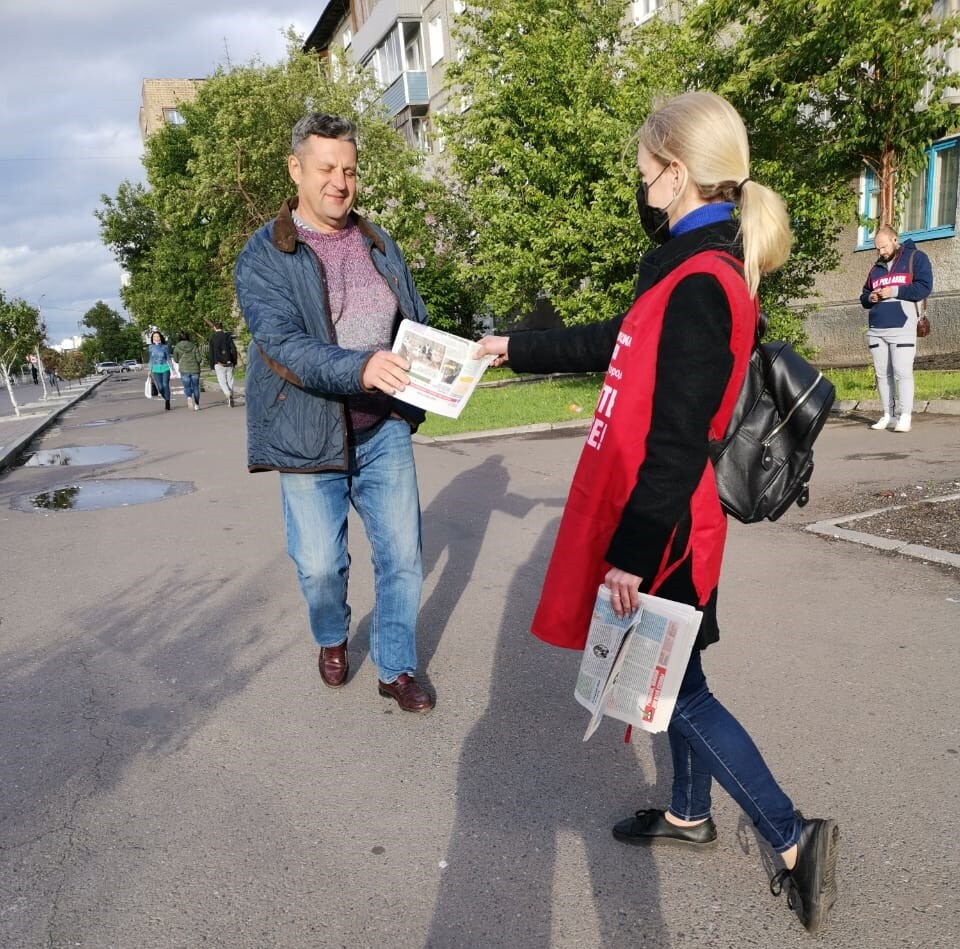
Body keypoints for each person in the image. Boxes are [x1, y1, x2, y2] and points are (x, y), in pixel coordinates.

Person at [477, 91, 839, 936]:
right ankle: (687, 813)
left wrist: (631, 554)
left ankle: (792, 836)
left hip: (667, 526)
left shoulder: (703, 284)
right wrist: (513, 346)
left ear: (677, 173)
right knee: (682, 676)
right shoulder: (688, 266)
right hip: (672, 521)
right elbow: (620, 337)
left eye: (645, 173)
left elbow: (678, 441)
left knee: (675, 693)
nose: (639, 186)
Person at [234, 112, 434, 713]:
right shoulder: (266, 253)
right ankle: (331, 634)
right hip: (307, 432)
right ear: (296, 169)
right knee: (321, 566)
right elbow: (285, 345)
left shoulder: (378, 241)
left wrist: (453, 360)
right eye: (326, 168)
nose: (340, 182)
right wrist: (359, 367)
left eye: (349, 169)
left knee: (402, 557)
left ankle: (396, 668)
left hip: (381, 430)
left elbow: (411, 322)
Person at [860, 225, 932, 433]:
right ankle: (887, 415)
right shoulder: (876, 268)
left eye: (883, 247)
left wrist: (895, 291)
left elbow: (924, 287)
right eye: (877, 249)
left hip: (903, 326)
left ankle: (905, 415)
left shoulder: (915, 258)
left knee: (902, 372)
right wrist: (870, 297)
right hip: (876, 328)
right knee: (882, 375)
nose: (880, 252)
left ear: (894, 240)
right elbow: (864, 295)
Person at [209, 320, 238, 406]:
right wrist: (234, 360)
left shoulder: (213, 338)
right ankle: (230, 397)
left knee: (222, 381)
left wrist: (212, 365)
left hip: (218, 363)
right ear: (222, 327)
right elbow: (233, 349)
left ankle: (227, 393)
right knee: (230, 380)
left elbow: (211, 352)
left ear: (214, 328)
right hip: (229, 362)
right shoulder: (227, 336)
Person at [173, 331, 203, 411]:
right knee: (196, 387)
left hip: (184, 369)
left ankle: (189, 397)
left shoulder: (177, 347)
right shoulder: (194, 346)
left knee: (187, 387)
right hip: (195, 369)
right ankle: (197, 405)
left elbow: (176, 360)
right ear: (188, 337)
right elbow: (199, 359)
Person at [148, 331, 173, 410]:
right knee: (160, 387)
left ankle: (167, 402)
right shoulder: (150, 347)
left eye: (158, 336)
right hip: (156, 369)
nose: (156, 338)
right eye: (154, 337)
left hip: (165, 368)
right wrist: (149, 370)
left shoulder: (165, 347)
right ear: (152, 338)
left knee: (165, 385)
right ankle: (166, 398)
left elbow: (168, 358)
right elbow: (151, 359)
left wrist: (173, 369)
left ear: (160, 337)